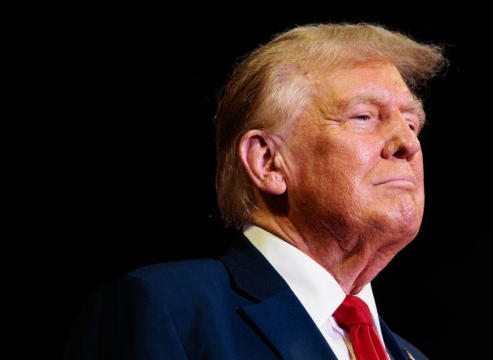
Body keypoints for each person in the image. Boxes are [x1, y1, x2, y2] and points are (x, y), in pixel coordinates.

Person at [65, 23, 446, 360]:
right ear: (268, 162)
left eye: (412, 124)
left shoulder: (410, 355)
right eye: (364, 117)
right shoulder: (166, 310)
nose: (406, 144)